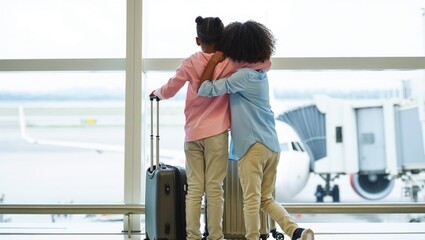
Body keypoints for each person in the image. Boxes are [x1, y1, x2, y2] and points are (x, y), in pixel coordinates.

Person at [150, 16, 271, 240]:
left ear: (198, 40)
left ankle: (193, 236)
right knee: (215, 189)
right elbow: (261, 65)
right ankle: (215, 236)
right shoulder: (230, 63)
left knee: (194, 188)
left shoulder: (190, 62)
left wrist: (156, 93)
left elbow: (169, 89)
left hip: (193, 133)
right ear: (222, 38)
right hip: (216, 135)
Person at [197, 20, 315, 240]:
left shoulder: (243, 77)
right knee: (266, 199)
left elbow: (205, 89)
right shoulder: (261, 74)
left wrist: (214, 61)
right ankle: (296, 232)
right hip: (272, 146)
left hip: (253, 148)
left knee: (251, 200)